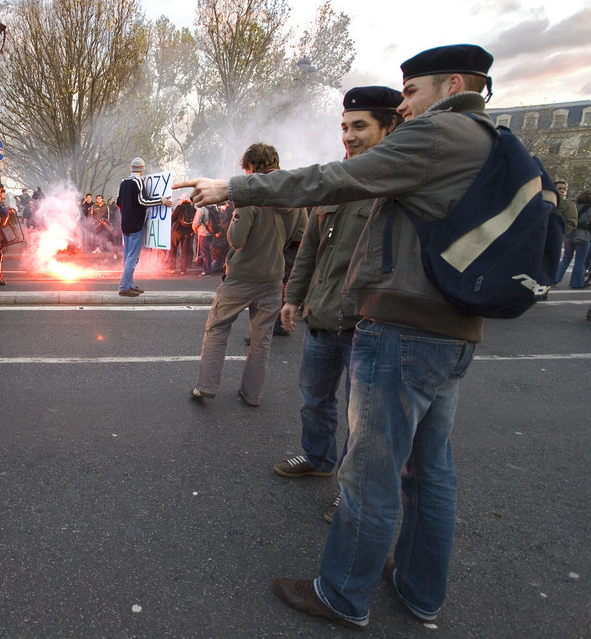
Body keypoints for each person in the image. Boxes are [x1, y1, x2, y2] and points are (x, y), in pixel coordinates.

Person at [177, 44, 505, 630]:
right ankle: (419, 591)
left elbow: (330, 179)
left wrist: (235, 187)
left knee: (372, 474)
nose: (406, 108)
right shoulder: (489, 139)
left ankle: (343, 594)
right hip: (452, 328)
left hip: (405, 328)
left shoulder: (434, 136)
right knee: (429, 471)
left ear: (453, 83)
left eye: (410, 93)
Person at [273, 86, 404, 524]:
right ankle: (317, 457)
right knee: (314, 397)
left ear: (391, 126)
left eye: (360, 126)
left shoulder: (397, 183)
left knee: (363, 419)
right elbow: (309, 247)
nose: (348, 136)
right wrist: (293, 298)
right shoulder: (335, 183)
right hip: (322, 318)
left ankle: (351, 494)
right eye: (345, 126)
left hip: (369, 324)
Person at [190, 143, 306, 406]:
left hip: (242, 276)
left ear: (251, 167)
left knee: (218, 327)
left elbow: (236, 239)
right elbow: (301, 237)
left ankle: (206, 386)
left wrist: (233, 218)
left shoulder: (252, 195)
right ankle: (252, 395)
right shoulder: (293, 198)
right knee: (261, 339)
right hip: (273, 277)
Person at [116, 157, 171, 296]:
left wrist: (127, 211)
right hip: (136, 224)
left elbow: (118, 202)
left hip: (125, 224)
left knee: (127, 256)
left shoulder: (124, 182)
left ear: (131, 168)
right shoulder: (138, 181)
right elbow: (142, 200)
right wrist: (161, 200)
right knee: (133, 258)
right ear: (142, 168)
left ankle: (129, 284)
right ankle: (124, 288)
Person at [555, 189, 591, 289]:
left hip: (569, 233)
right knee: (580, 260)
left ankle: (555, 278)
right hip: (583, 235)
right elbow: (585, 221)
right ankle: (577, 283)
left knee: (566, 257)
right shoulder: (589, 208)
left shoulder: (573, 205)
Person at [168, 194, 195, 274]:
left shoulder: (179, 208)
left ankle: (172, 268)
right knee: (185, 251)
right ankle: (183, 269)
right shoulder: (193, 209)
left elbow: (173, 218)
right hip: (188, 232)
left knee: (173, 249)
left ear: (183, 200)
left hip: (177, 231)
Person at [192, 204, 218, 276]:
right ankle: (208, 268)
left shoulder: (201, 209)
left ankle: (206, 270)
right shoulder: (212, 207)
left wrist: (195, 229)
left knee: (205, 252)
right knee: (209, 251)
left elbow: (197, 221)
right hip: (212, 232)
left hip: (203, 232)